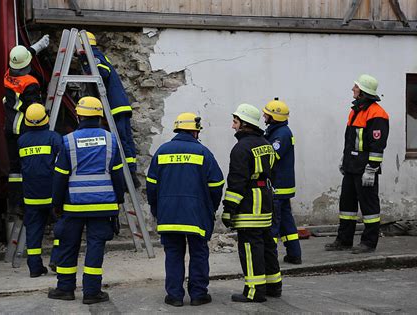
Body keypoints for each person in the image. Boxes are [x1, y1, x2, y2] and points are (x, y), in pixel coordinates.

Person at [48, 96, 125, 304]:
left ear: (78, 114)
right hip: (103, 205)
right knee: (96, 247)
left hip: (73, 205)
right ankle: (92, 292)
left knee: (67, 246)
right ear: (100, 115)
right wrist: (117, 202)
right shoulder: (110, 140)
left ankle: (65, 288)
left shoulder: (68, 141)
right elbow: (117, 175)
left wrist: (56, 204)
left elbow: (60, 175)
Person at [146, 113, 224, 307]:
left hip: (169, 214)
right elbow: (217, 184)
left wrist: (157, 209)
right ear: (194, 131)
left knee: (173, 253)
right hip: (196, 215)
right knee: (198, 252)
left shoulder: (162, 152)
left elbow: (151, 185)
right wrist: (210, 208)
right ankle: (198, 295)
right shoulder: (203, 153)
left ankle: (174, 296)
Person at [222, 103, 282, 303]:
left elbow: (237, 182)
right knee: (267, 245)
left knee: (250, 247)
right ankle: (274, 286)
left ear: (244, 123)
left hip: (250, 206)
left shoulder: (241, 148)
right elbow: (272, 172)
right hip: (265, 200)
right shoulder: (266, 143)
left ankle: (255, 291)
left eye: (235, 121)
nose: (233, 126)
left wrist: (228, 210)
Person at [325, 74, 389, 254]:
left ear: (363, 91)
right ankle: (344, 240)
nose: (353, 89)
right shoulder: (355, 110)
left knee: (369, 209)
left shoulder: (377, 114)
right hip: (351, 167)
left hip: (365, 169)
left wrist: (372, 169)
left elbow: (377, 145)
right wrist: (344, 160)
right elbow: (351, 140)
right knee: (346, 206)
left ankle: (368, 243)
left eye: (356, 87)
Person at [80, 31, 140, 188]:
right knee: (125, 139)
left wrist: (87, 68)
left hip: (115, 107)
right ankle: (131, 173)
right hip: (119, 105)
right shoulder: (97, 54)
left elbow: (102, 72)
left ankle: (130, 176)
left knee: (122, 139)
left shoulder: (92, 56)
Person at [3, 35, 50, 216]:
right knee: (29, 167)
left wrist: (37, 47)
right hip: (23, 129)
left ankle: (14, 204)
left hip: (9, 126)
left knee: (14, 170)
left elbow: (23, 57)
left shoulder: (8, 74)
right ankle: (30, 204)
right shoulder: (30, 83)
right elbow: (34, 110)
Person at [18, 103, 62, 277]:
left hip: (31, 196)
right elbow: (62, 165)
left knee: (34, 232)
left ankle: (34, 267)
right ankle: (57, 259)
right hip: (52, 194)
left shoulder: (22, 141)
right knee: (61, 228)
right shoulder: (54, 138)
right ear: (46, 119)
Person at [262, 97, 302, 265]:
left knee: (274, 224)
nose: (264, 117)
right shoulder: (277, 131)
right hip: (282, 187)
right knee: (286, 223)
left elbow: (272, 156)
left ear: (274, 117)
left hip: (278, 187)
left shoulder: (281, 134)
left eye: (267, 115)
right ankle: (294, 254)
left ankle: (268, 259)